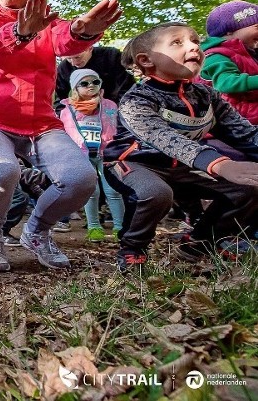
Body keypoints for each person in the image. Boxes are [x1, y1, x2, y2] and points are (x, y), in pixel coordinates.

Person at [0, 0, 121, 272]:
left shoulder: (49, 23)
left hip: (41, 124)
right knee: (3, 172)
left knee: (81, 179)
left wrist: (84, 31)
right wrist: (20, 32)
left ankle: (37, 231)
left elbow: (67, 40)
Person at [104, 22, 258, 272]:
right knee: (156, 192)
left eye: (195, 41)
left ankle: (202, 242)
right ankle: (132, 248)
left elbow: (244, 133)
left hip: (184, 168)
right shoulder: (136, 100)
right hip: (134, 164)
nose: (194, 47)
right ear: (146, 60)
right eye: (178, 42)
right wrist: (218, 163)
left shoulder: (207, 96)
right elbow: (164, 138)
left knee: (248, 189)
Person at [58, 68, 125, 242]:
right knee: (91, 192)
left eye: (95, 82)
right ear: (75, 88)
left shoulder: (109, 106)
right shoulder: (68, 110)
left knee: (113, 191)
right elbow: (63, 133)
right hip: (82, 156)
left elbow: (117, 128)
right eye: (84, 83)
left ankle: (121, 228)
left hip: (107, 155)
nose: (91, 87)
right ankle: (94, 227)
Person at [200, 0, 258, 124]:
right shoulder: (215, 55)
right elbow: (226, 83)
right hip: (234, 117)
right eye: (257, 27)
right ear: (229, 31)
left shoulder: (248, 54)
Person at [55, 45, 134, 107]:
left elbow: (127, 88)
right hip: (81, 114)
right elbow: (61, 99)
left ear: (90, 48)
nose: (73, 63)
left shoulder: (112, 56)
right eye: (69, 58)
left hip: (116, 109)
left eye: (77, 57)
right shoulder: (64, 68)